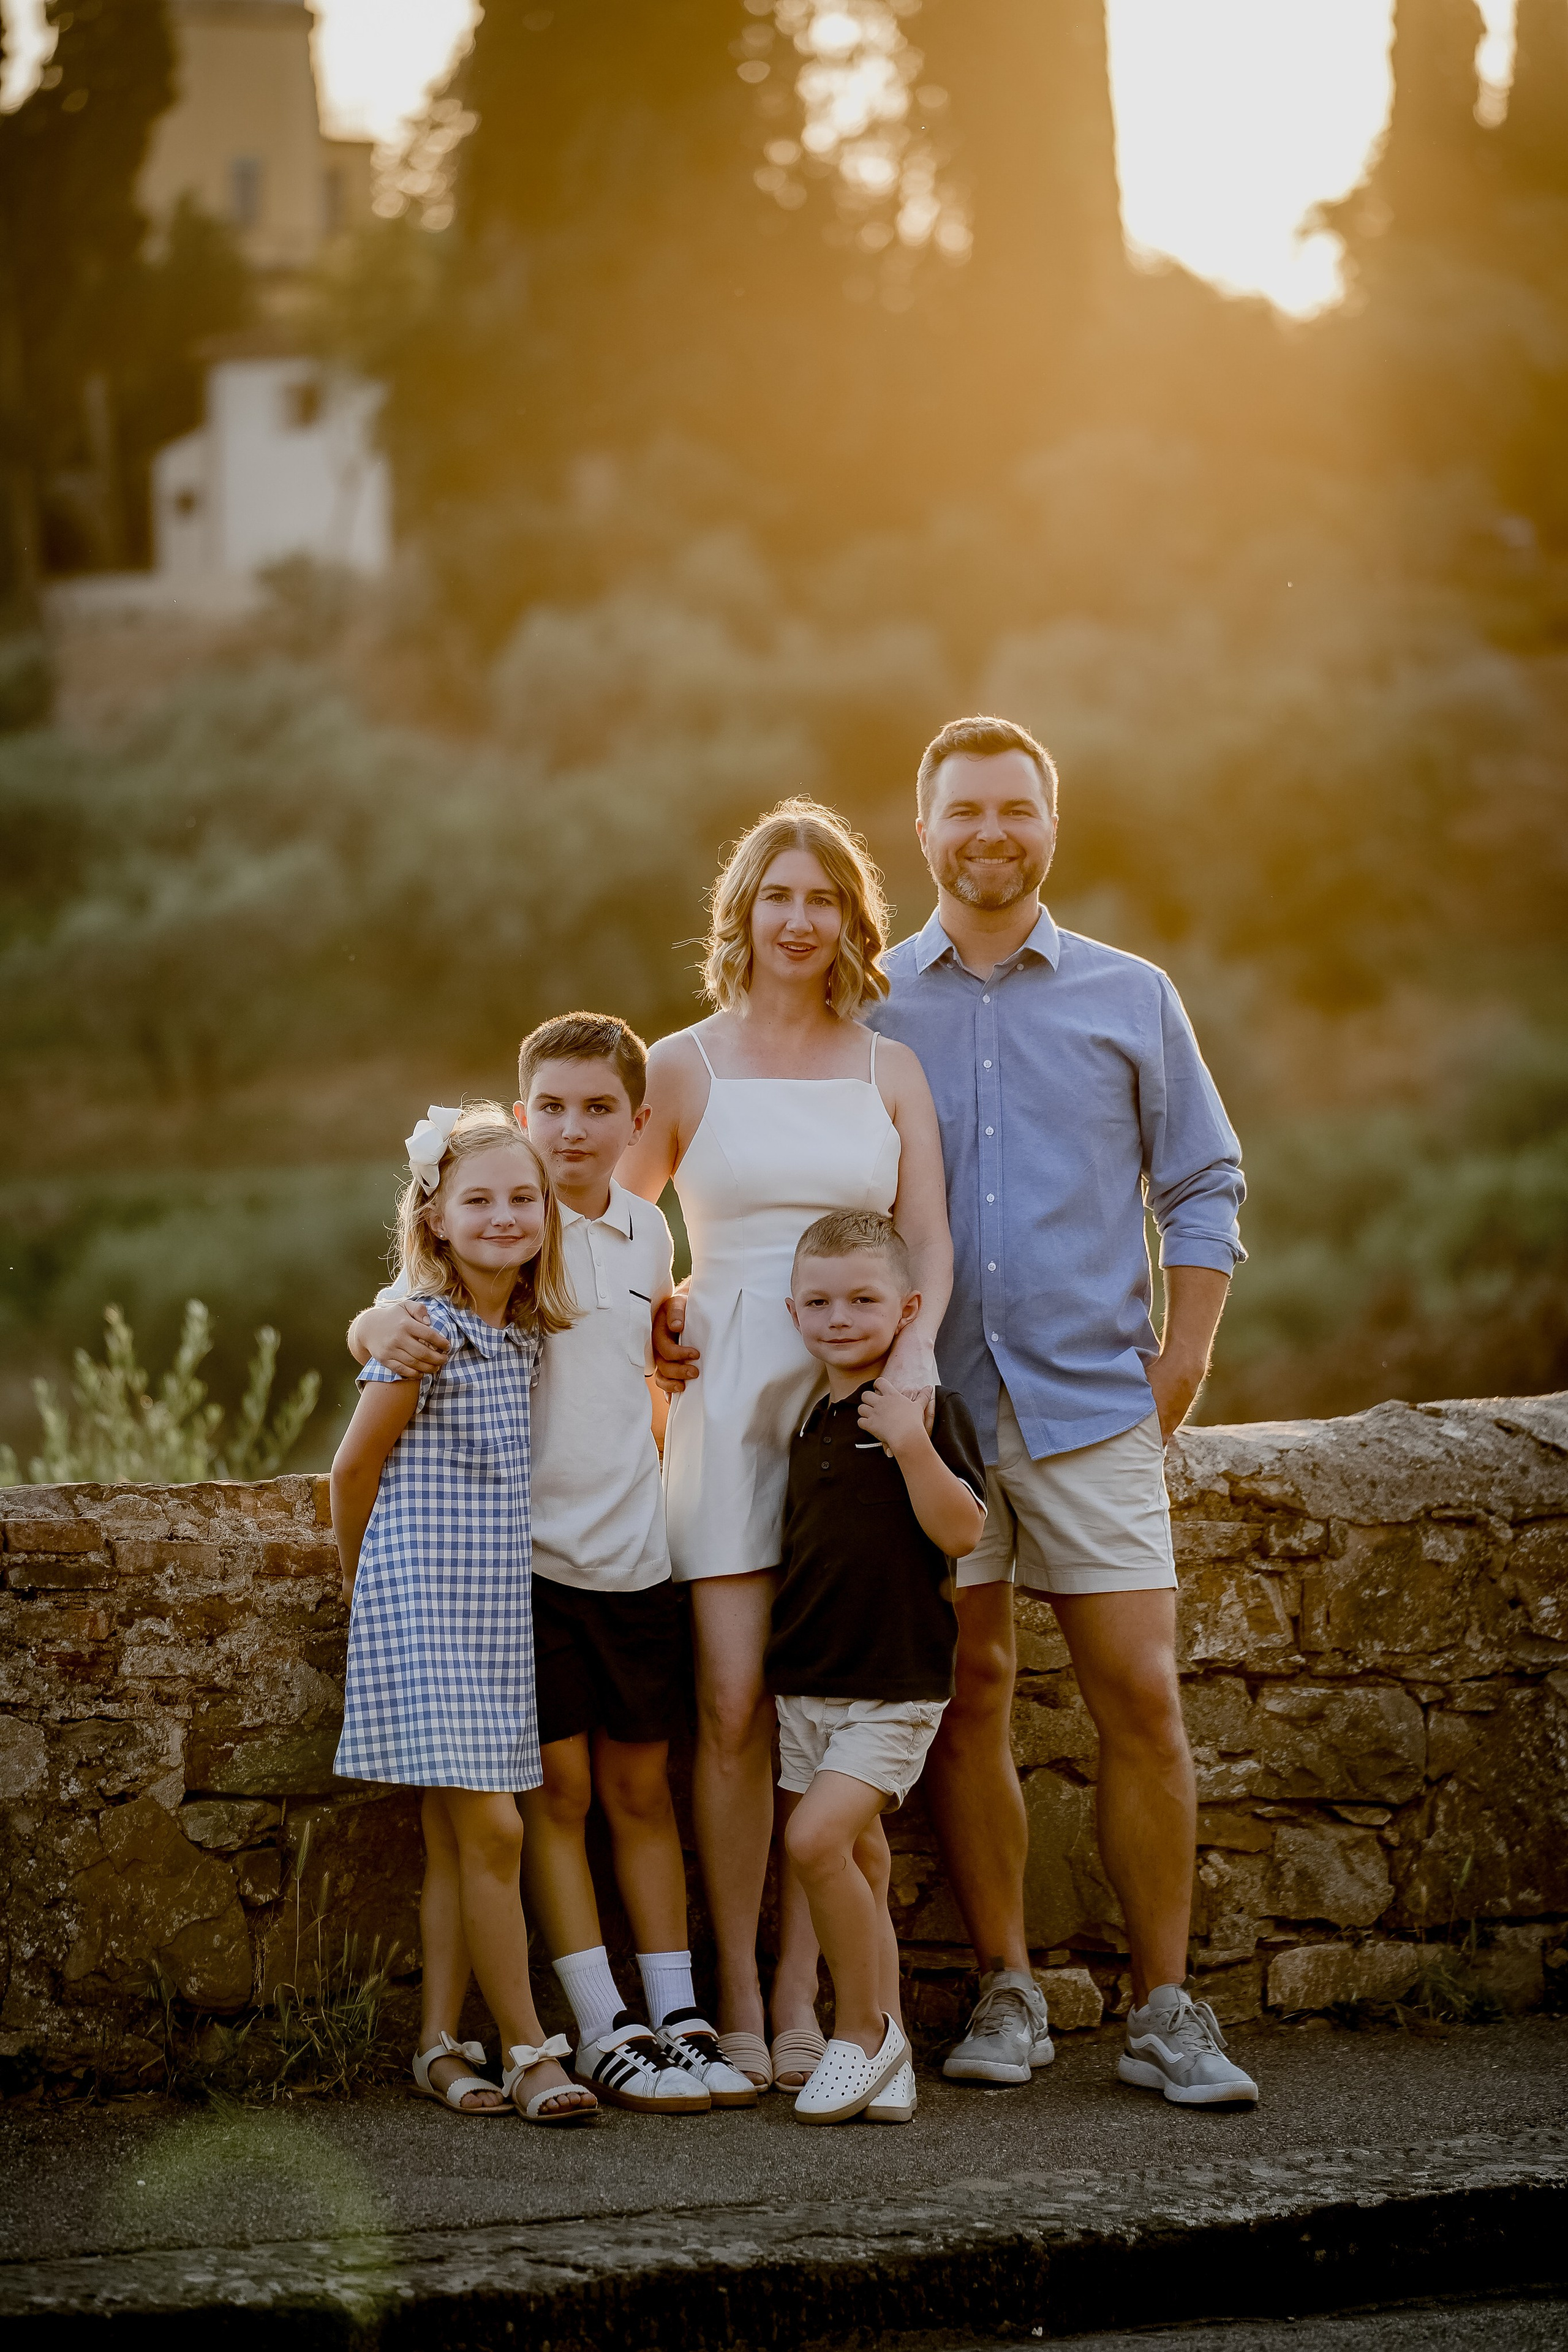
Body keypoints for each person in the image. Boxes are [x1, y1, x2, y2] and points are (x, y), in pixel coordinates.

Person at [865, 714, 1258, 2106]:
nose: (989, 834)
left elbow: (1201, 1184)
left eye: (1014, 810)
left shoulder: (1129, 995)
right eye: (963, 810)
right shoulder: (869, 1005)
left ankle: (1164, 2008)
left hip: (1096, 1406)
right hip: (932, 1421)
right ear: (922, 830)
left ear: (1050, 824)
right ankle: (1008, 1990)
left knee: (1140, 1700)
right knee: (969, 1698)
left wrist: (1184, 1360)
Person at [347, 1017, 755, 2117]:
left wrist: (674, 1347)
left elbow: (642, 1374)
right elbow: (412, 1304)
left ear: (638, 1123)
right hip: (519, 1568)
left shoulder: (645, 1236)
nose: (575, 1131)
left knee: (639, 1790)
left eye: (599, 1109)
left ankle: (676, 2013)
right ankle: (599, 2024)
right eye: (555, 1110)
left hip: (636, 1553)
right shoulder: (514, 1232)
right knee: (557, 1796)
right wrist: (367, 1321)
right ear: (525, 1119)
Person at [617, 797, 953, 2092]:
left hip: (853, 1415)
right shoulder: (682, 1065)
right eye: (777, 897)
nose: (799, 920)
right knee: (729, 1703)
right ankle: (738, 2001)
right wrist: (653, 1324)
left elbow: (924, 1240)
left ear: (849, 922)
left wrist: (910, 1371)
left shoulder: (889, 1071)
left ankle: (812, 1996)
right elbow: (615, 1225)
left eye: (822, 900)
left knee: (823, 1713)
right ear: (741, 915)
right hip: (721, 1398)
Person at [330, 1101, 597, 2125]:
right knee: (495, 1829)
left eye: (524, 1198)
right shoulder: (424, 1329)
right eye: (478, 1199)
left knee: (454, 1840)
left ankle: (440, 2046)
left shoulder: (518, 1334)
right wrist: (367, 1587)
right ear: (433, 1218)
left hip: (490, 1615)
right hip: (416, 1605)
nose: (505, 1215)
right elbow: (353, 1471)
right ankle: (531, 2049)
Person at [769, 1211, 986, 2125]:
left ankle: (861, 2032)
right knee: (859, 1857)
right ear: (793, 1311)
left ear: (905, 1308)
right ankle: (890, 2061)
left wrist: (908, 1441)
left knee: (814, 1842)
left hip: (894, 1684)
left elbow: (964, 1532)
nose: (839, 1317)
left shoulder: (926, 1409)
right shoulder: (811, 1417)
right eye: (818, 1301)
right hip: (810, 1676)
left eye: (863, 1300)